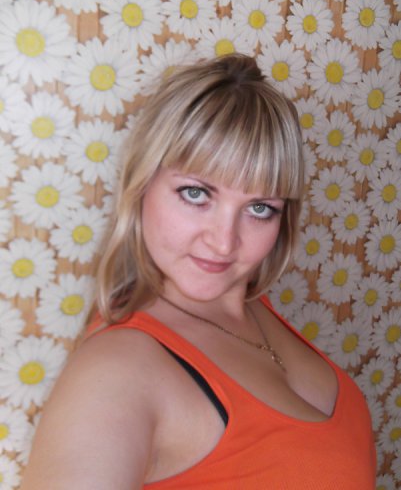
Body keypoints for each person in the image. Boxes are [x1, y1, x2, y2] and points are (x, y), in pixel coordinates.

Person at [22, 54, 376, 489]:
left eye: (260, 208)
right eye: (195, 194)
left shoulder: (251, 307)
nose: (224, 242)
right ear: (141, 183)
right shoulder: (116, 373)